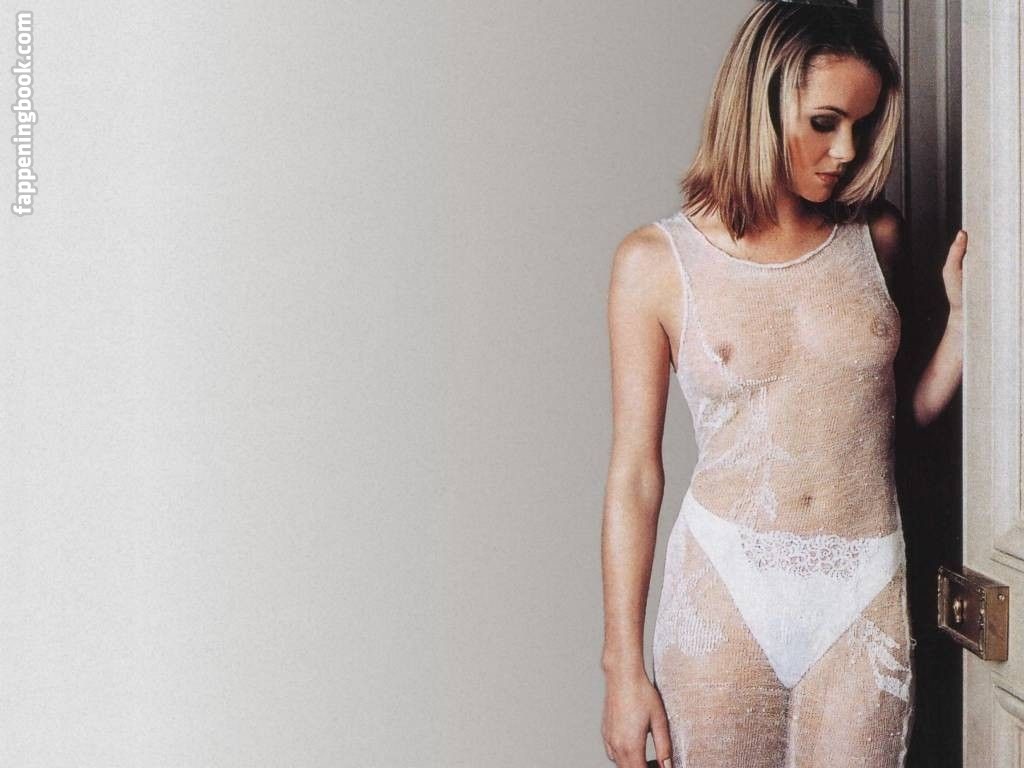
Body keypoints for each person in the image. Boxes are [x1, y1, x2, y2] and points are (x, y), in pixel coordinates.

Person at [599, 2, 967, 767]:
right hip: (724, 586)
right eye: (825, 123)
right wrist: (622, 669)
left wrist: (964, 326)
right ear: (757, 107)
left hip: (863, 587)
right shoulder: (655, 263)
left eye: (863, 125)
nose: (846, 151)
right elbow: (635, 475)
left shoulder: (878, 238)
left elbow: (889, 422)